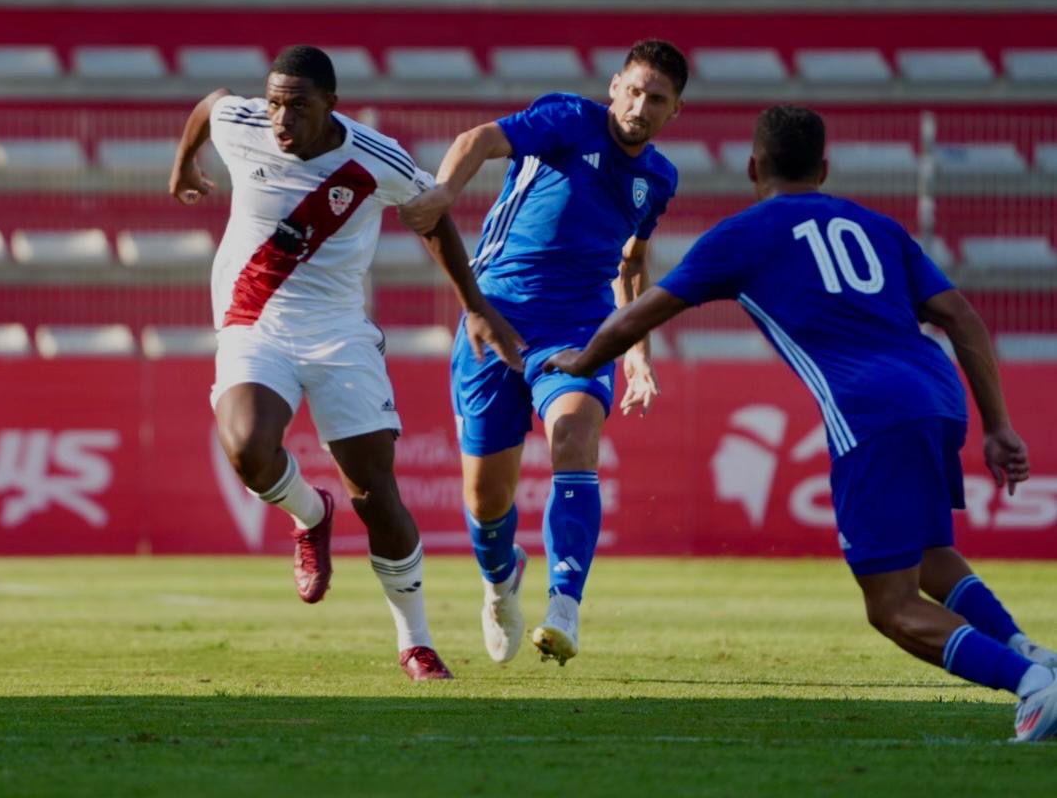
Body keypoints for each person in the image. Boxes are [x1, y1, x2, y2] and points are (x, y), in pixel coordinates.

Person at [544, 103, 1057, 740]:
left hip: (870, 413)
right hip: (938, 393)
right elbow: (962, 318)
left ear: (754, 167)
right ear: (824, 167)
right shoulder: (877, 225)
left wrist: (583, 360)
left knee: (891, 608)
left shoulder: (745, 234)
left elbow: (639, 313)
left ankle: (1028, 685)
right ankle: (1038, 657)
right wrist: (999, 424)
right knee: (927, 555)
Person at [168, 45, 523, 681]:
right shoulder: (246, 125)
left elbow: (432, 219)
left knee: (377, 497)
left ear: (332, 106)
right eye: (276, 103)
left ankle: (415, 640)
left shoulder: (376, 156)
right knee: (248, 446)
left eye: (298, 107)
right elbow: (210, 105)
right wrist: (184, 166)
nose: (282, 119)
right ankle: (311, 515)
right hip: (255, 324)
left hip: (338, 337)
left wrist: (474, 306)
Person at [399, 39, 688, 666]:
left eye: (656, 99)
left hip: (581, 328)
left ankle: (565, 606)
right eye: (634, 91)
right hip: (496, 317)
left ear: (675, 111)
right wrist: (445, 192)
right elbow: (478, 139)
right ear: (615, 86)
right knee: (486, 499)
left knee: (576, 436)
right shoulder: (565, 119)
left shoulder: (658, 178)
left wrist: (636, 348)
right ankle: (501, 584)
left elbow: (631, 262)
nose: (640, 106)